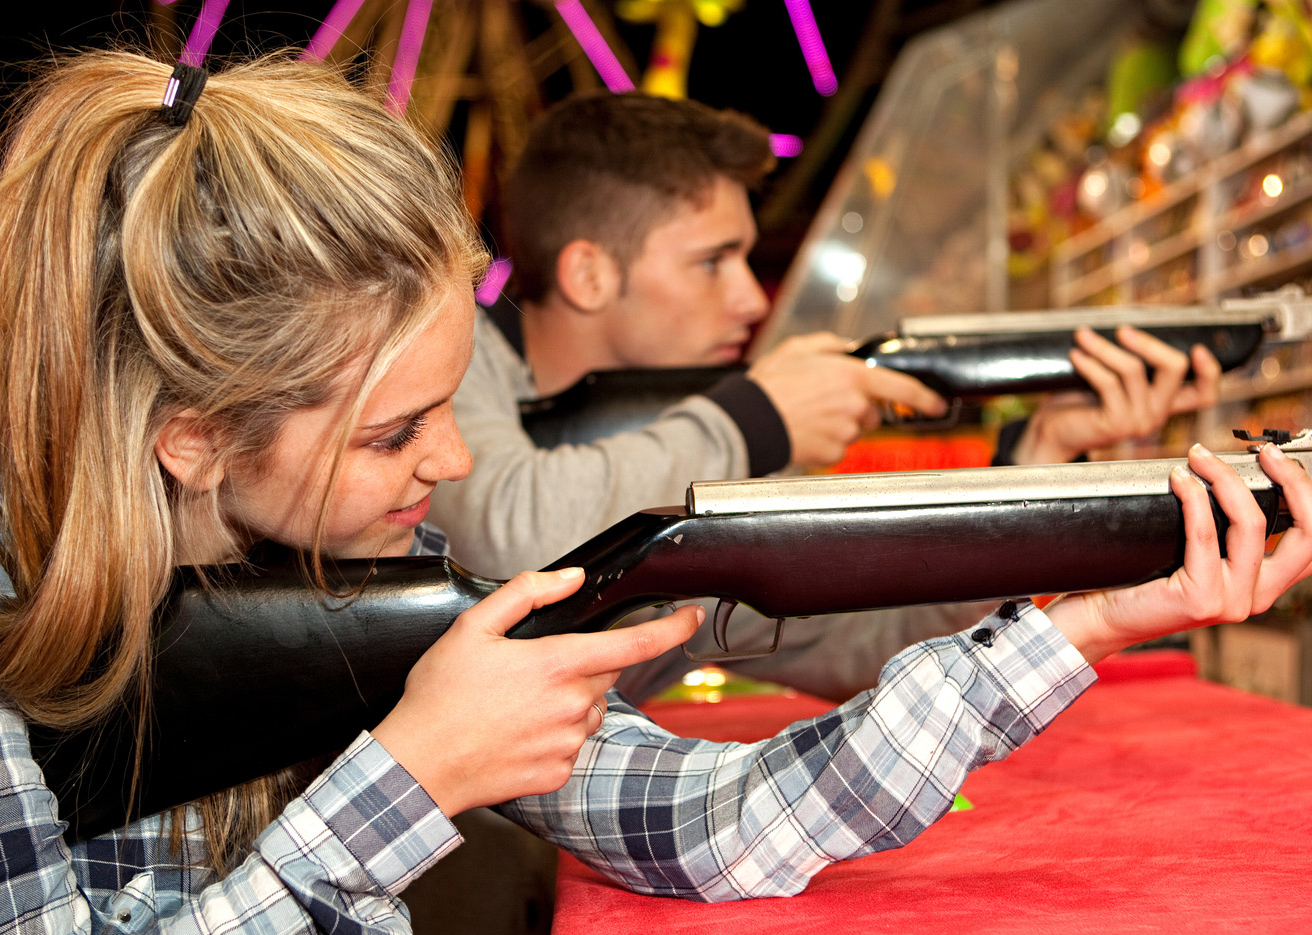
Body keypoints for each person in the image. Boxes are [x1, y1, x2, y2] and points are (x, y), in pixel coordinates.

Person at [0, 51, 1312, 935]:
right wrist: (409, 777)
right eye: (398, 435)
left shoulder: (331, 548)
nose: (453, 466)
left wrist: (1086, 614)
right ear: (193, 435)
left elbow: (711, 820)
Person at [429, 92, 1223, 701]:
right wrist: (754, 422)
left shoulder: (686, 448)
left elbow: (873, 646)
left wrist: (1036, 459)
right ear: (589, 275)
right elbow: (508, 539)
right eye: (715, 261)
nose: (749, 299)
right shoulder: (443, 362)